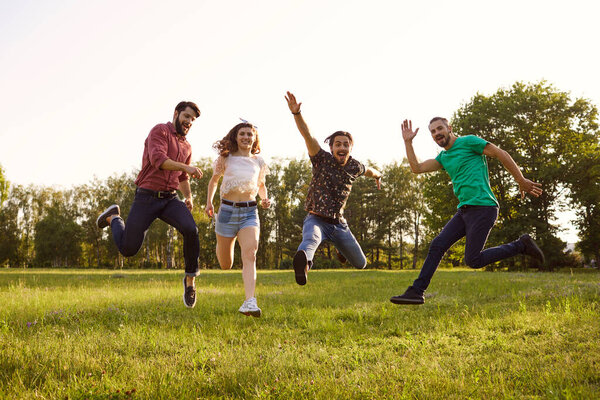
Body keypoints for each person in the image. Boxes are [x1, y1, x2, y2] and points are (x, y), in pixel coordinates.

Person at [390, 118, 545, 305]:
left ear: (449, 129)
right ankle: (416, 291)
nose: (437, 133)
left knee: (473, 260)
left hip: (483, 207)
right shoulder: (443, 157)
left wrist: (520, 179)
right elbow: (417, 168)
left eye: (440, 128)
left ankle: (521, 245)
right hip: (464, 211)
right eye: (433, 131)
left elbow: (499, 153)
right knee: (438, 245)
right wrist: (408, 142)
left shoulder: (468, 142)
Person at [96, 101, 203, 308]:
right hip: (146, 197)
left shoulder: (186, 146)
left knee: (191, 229)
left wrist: (188, 196)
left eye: (192, 119)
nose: (189, 122)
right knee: (128, 248)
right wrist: (188, 168)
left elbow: (182, 177)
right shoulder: (160, 131)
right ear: (176, 113)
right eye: (186, 116)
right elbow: (158, 160)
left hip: (170, 199)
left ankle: (190, 281)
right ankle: (114, 217)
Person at [284, 91, 382, 285]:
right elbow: (307, 135)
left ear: (350, 149)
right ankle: (303, 267)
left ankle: (341, 249)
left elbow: (370, 170)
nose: (342, 147)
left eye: (346, 145)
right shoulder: (321, 159)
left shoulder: (355, 166)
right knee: (310, 241)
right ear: (331, 148)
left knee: (361, 263)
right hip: (316, 219)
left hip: (339, 224)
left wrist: (379, 176)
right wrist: (297, 114)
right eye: (338, 144)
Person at [205, 122, 271, 317]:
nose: (246, 137)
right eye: (242, 134)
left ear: (254, 138)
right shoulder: (226, 158)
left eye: (250, 134)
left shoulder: (258, 161)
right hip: (226, 211)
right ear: (236, 137)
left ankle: (250, 302)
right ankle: (222, 242)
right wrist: (209, 203)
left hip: (250, 212)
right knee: (226, 264)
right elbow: (214, 181)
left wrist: (265, 199)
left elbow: (261, 185)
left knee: (250, 254)